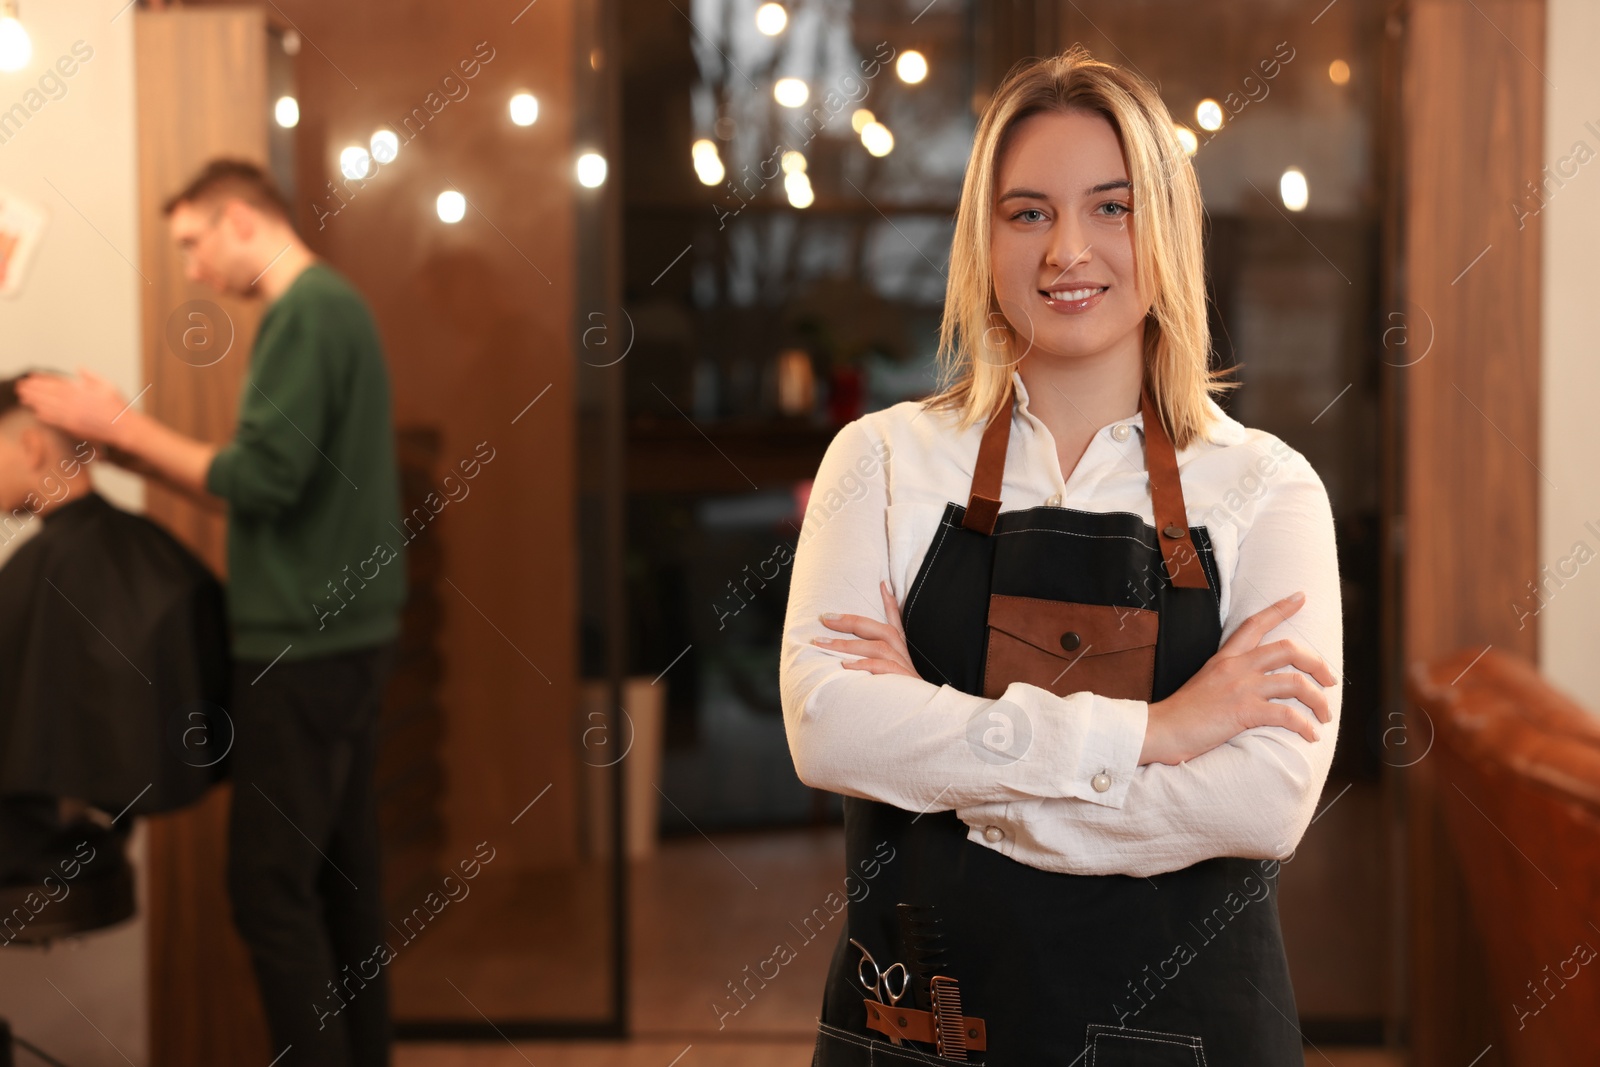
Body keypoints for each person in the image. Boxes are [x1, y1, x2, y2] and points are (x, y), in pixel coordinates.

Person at [779, 47, 1343, 1065]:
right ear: (981, 240)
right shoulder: (880, 459)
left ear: (1163, 230)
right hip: (927, 1030)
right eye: (1028, 211)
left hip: (1189, 1034)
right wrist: (1159, 731)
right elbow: (830, 729)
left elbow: (1261, 799)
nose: (1067, 251)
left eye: (1111, 208)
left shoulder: (1268, 487)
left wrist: (967, 795)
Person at [19, 159, 407, 1067]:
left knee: (269, 889)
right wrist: (130, 457)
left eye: (194, 243)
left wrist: (122, 425)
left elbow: (263, 479)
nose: (192, 269)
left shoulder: (307, 313)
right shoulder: (329, 310)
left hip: (305, 647)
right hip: (343, 637)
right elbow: (260, 480)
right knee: (342, 883)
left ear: (242, 221)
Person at [0, 372, 227, 914]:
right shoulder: (155, 552)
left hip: (24, 846)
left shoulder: (39, 568)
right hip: (93, 841)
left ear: (31, 448)